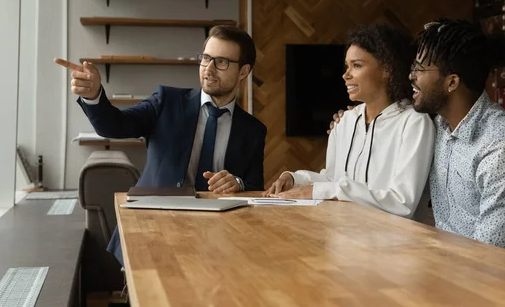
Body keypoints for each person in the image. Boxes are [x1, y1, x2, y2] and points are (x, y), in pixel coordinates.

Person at [55, 25, 266, 265]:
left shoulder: (253, 130)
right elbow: (116, 126)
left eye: (221, 62)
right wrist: (94, 96)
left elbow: (255, 188)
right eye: (205, 58)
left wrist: (237, 183)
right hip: (153, 228)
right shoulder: (167, 100)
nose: (208, 69)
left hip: (217, 239)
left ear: (243, 71)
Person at [409, 18, 505, 263]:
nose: (411, 75)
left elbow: (490, 253)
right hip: (458, 274)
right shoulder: (437, 128)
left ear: (452, 82)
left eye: (419, 69)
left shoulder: (503, 145)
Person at [264, 24, 435, 219]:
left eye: (357, 65)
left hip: (393, 244)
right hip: (344, 237)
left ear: (387, 68)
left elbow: (402, 203)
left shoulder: (415, 123)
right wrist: (296, 179)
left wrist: (322, 191)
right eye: (347, 66)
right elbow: (332, 179)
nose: (346, 75)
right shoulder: (345, 121)